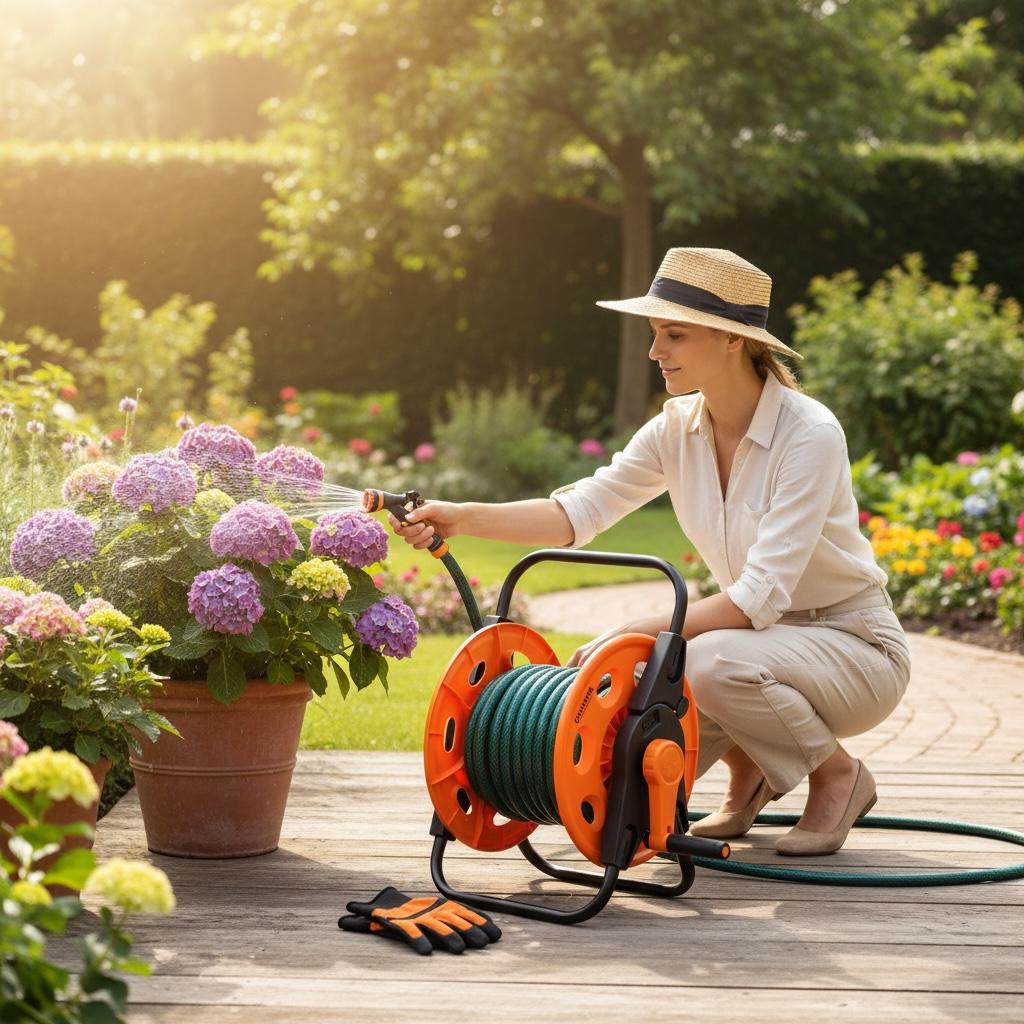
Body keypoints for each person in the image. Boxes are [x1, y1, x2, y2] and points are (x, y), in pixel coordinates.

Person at [389, 247, 911, 857]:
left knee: (703, 662)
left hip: (852, 647)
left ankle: (839, 776)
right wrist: (462, 517)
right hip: (763, 647)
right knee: (649, 704)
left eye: (675, 335)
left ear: (732, 339)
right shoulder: (675, 428)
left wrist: (631, 631)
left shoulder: (809, 434)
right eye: (655, 333)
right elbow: (578, 512)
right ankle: (750, 774)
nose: (655, 350)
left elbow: (758, 597)